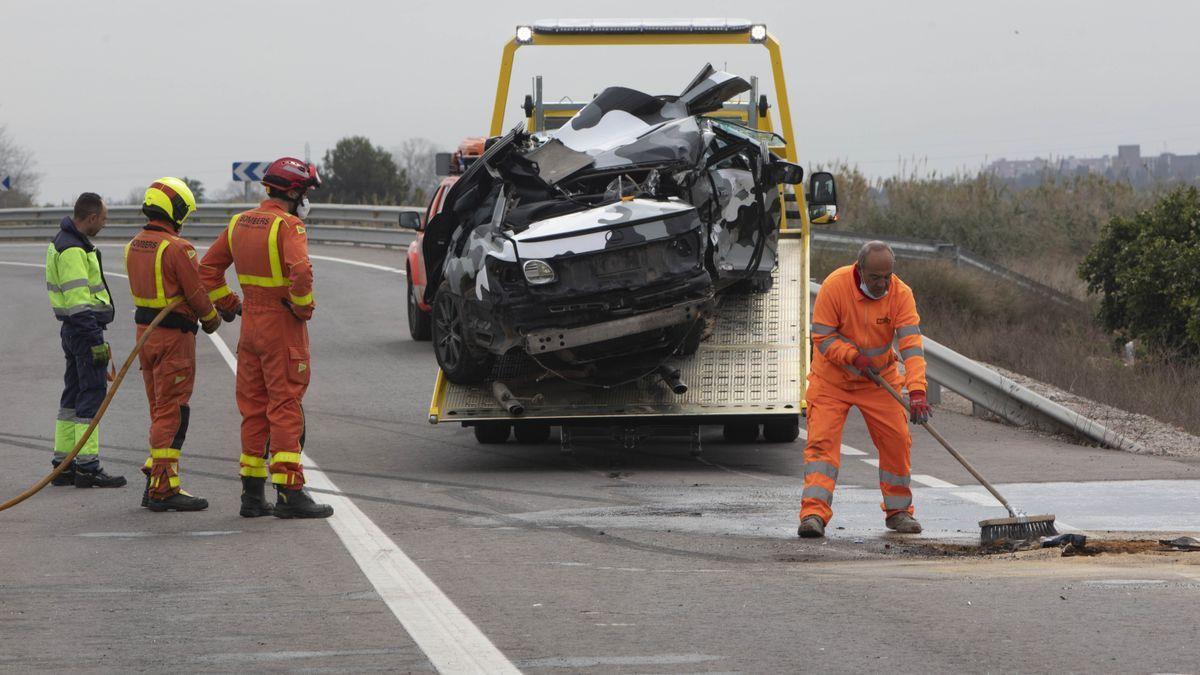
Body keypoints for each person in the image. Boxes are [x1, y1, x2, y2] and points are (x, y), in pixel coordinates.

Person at [200, 157, 332, 519]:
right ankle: (290, 492)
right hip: (282, 326)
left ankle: (252, 495)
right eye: (304, 191)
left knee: (254, 410)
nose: (306, 199)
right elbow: (301, 272)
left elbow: (207, 268)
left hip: (251, 326)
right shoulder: (290, 227)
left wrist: (228, 303)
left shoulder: (239, 223)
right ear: (292, 191)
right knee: (285, 407)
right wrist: (303, 308)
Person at [798, 241, 932, 538]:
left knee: (897, 440)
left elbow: (911, 345)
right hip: (832, 380)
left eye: (887, 276)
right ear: (860, 270)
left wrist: (917, 391)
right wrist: (852, 357)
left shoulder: (901, 294)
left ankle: (899, 512)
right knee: (821, 445)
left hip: (878, 379)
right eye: (875, 278)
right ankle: (813, 515)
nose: (883, 284)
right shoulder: (835, 286)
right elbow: (821, 336)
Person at [125, 177, 221, 511]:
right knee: (173, 412)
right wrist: (212, 319)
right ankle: (164, 489)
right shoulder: (178, 248)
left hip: (145, 336)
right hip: (173, 339)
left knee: (159, 409)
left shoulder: (135, 244)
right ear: (174, 209)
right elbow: (196, 292)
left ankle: (156, 473)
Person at [45, 192, 125, 488]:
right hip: (83, 332)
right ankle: (87, 467)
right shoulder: (73, 250)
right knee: (90, 396)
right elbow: (79, 304)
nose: (104, 224)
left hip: (73, 331)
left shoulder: (64, 242)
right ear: (91, 218)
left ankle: (63, 463)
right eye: (103, 219)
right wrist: (95, 341)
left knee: (72, 396)